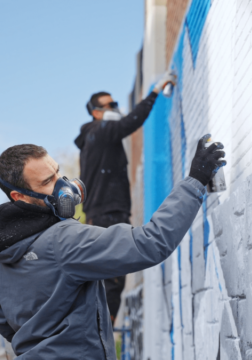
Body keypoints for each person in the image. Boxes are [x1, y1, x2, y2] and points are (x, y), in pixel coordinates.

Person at [0, 135, 225, 359]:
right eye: (48, 181)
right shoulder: (64, 239)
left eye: (57, 173)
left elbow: (2, 320)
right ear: (19, 196)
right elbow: (150, 243)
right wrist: (196, 180)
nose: (63, 185)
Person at [74, 71, 176, 321]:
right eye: (110, 105)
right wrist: (154, 93)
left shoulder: (94, 136)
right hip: (107, 214)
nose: (115, 108)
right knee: (113, 275)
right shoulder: (99, 129)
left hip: (101, 214)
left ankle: (98, 331)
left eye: (115, 104)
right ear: (96, 112)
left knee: (108, 275)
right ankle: (102, 335)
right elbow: (130, 123)